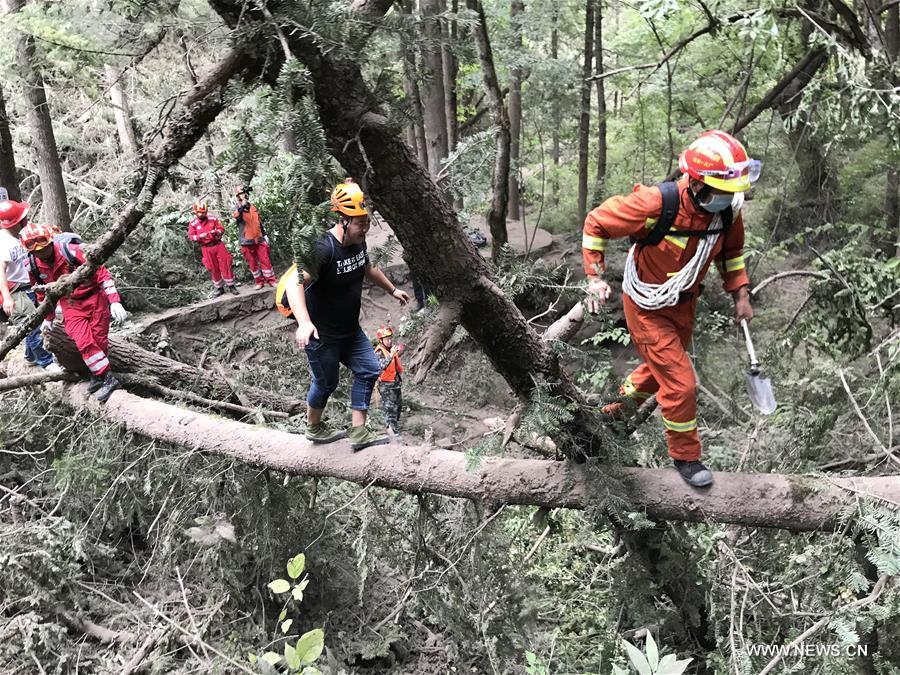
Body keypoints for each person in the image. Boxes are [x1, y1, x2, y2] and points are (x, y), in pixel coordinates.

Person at [582, 130, 757, 488]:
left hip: (683, 305)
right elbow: (596, 222)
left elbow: (731, 254)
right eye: (722, 192)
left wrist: (740, 294)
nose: (729, 199)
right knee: (681, 384)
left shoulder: (727, 214)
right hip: (645, 307)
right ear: (694, 183)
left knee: (657, 370)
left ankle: (611, 417)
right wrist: (595, 276)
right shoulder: (656, 204)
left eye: (732, 193)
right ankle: (686, 457)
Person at [283, 179, 411, 450]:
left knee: (368, 369)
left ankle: (358, 432)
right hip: (323, 335)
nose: (365, 227)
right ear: (342, 220)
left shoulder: (358, 242)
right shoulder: (323, 248)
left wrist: (392, 290)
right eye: (359, 223)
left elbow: (367, 267)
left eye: (366, 221)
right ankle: (314, 427)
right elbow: (295, 283)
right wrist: (304, 323)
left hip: (349, 330)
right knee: (326, 383)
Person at [20, 223, 128, 402]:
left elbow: (102, 274)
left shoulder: (71, 251)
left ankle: (98, 375)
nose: (40, 251)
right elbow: (43, 294)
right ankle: (108, 378)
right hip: (70, 304)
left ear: (49, 241)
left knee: (98, 341)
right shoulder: (32, 265)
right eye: (34, 248)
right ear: (29, 250)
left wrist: (114, 301)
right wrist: (48, 318)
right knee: (83, 341)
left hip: (95, 299)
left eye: (42, 244)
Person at [0, 199, 60, 371]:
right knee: (32, 324)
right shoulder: (3, 243)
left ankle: (30, 356)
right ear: (15, 222)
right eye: (23, 218)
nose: (27, 219)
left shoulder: (22, 234)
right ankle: (46, 362)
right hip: (14, 289)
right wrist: (7, 298)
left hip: (30, 285)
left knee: (35, 321)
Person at [188, 201, 238, 297]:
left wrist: (217, 232)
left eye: (204, 212)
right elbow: (191, 237)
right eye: (200, 212)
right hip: (206, 248)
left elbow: (221, 229)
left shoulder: (213, 218)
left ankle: (231, 286)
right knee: (213, 267)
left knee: (226, 264)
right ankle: (219, 288)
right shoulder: (193, 223)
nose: (202, 214)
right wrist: (199, 237)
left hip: (218, 245)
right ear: (196, 212)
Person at [233, 185, 276, 289]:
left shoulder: (253, 207)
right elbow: (236, 216)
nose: (244, 195)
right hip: (246, 241)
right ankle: (259, 282)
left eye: (245, 193)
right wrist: (242, 206)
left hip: (259, 239)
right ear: (238, 196)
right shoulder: (237, 209)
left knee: (266, 261)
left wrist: (264, 234)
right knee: (253, 264)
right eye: (241, 194)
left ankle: (271, 280)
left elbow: (259, 222)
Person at [373, 325, 404, 434]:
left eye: (391, 338)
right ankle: (393, 433)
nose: (390, 341)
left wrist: (398, 350)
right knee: (390, 409)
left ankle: (393, 427)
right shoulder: (379, 352)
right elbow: (382, 366)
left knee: (399, 406)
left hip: (395, 383)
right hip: (386, 385)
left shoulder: (390, 349)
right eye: (387, 339)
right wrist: (391, 355)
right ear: (381, 340)